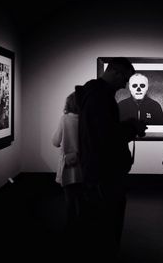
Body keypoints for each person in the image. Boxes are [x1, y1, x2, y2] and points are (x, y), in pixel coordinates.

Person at [74, 57, 147, 261]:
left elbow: (102, 131)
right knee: (105, 228)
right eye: (125, 78)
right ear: (115, 72)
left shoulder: (95, 95)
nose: (126, 84)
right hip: (105, 174)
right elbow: (105, 136)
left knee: (98, 225)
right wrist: (132, 127)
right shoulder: (100, 96)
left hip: (99, 172)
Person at [52, 92, 83, 239]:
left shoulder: (64, 119)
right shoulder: (86, 119)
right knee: (83, 198)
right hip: (84, 166)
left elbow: (55, 141)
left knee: (69, 200)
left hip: (68, 166)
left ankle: (70, 228)